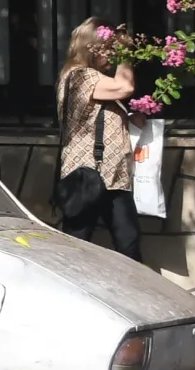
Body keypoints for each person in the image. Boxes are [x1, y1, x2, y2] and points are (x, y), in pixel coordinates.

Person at [57, 19, 142, 261]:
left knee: (130, 244)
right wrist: (127, 51)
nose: (112, 55)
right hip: (87, 175)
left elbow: (102, 113)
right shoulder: (80, 77)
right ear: (91, 47)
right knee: (77, 245)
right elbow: (124, 86)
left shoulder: (95, 79)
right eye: (108, 48)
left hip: (113, 176)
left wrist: (130, 116)